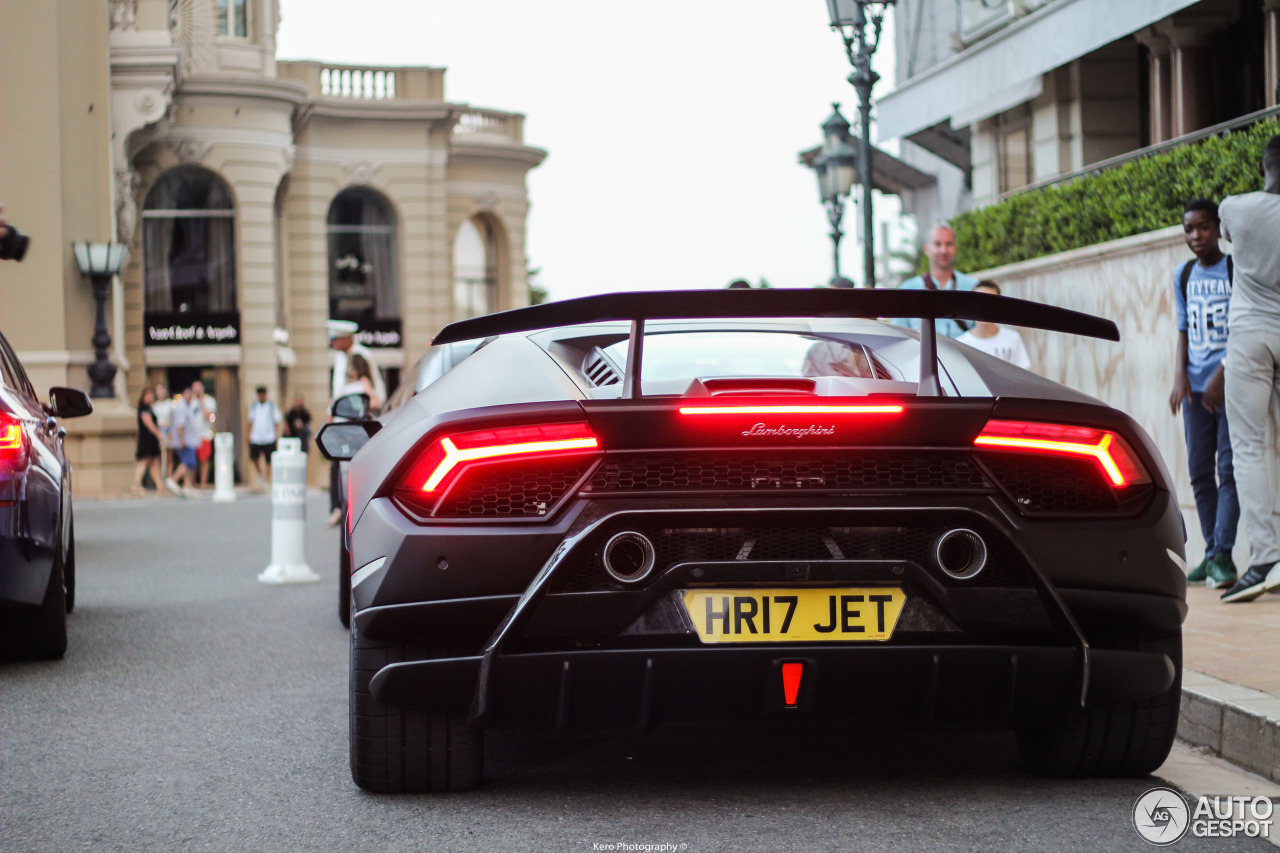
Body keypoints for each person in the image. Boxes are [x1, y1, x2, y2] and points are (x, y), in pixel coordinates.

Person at [1217, 135, 1280, 602]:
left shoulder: (1236, 207)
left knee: (1249, 447)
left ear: (1264, 166)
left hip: (1250, 336)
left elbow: (1226, 242)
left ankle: (1265, 558)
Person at [1168, 199, 1239, 590]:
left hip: (1229, 387)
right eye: (1189, 230)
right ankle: (1211, 551)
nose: (1196, 236)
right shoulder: (1183, 275)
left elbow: (1245, 325)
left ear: (1217, 227)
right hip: (1195, 391)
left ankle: (1223, 555)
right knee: (1199, 472)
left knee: (1228, 469)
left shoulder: (1234, 269)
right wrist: (1180, 377)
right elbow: (1182, 329)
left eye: (1204, 228)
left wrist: (1222, 375)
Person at [328, 319, 385, 526]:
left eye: (335, 339)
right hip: (341, 423)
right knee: (337, 466)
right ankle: (340, 508)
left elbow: (376, 392)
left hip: (356, 424)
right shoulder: (340, 358)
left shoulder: (362, 356)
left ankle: (352, 509)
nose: (332, 343)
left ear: (346, 339)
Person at [896, 223, 978, 338]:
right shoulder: (907, 290)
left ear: (955, 247)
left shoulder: (973, 287)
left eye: (948, 244)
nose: (943, 250)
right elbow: (899, 336)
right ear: (926, 249)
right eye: (937, 244)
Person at [956, 280, 1032, 369]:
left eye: (991, 302)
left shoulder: (1012, 338)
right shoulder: (961, 344)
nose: (985, 307)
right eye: (979, 301)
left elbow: (1023, 374)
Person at [246, 385, 283, 488]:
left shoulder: (271, 406)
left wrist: (277, 435)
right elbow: (250, 421)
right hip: (256, 436)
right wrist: (248, 435)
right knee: (254, 457)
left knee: (269, 459)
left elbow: (277, 421)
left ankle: (267, 478)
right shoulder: (254, 406)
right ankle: (261, 474)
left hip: (269, 436)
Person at [164, 386, 197, 496]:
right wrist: (182, 440)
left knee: (190, 464)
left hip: (189, 440)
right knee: (187, 462)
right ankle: (173, 479)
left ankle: (188, 486)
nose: (189, 397)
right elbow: (179, 425)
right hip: (184, 440)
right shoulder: (181, 407)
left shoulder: (187, 406)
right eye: (187, 394)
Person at [131, 386, 163, 495]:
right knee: (144, 462)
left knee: (153, 463)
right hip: (147, 439)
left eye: (151, 395)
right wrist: (159, 434)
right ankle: (135, 485)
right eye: (147, 395)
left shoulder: (149, 408)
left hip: (151, 439)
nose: (150, 397)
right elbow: (149, 423)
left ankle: (160, 486)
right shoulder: (144, 408)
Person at [190, 380, 217, 488]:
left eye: (198, 389)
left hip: (204, 435)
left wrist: (201, 402)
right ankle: (191, 483)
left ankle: (203, 482)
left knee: (204, 460)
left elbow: (209, 416)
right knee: (192, 460)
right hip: (192, 436)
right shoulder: (190, 402)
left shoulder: (209, 401)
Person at [152, 382, 173, 479]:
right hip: (159, 431)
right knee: (159, 456)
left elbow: (173, 419)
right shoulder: (154, 406)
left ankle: (169, 477)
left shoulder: (170, 404)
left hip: (168, 431)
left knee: (169, 456)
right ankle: (160, 478)